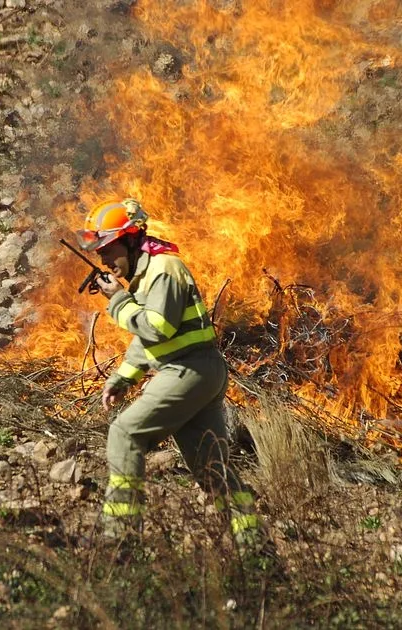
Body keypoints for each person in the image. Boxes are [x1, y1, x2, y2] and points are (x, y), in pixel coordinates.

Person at [75, 197, 267, 555]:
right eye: (100, 253)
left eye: (108, 250)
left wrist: (118, 301)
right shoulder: (148, 274)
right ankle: (255, 546)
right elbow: (150, 339)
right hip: (197, 371)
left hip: (188, 370)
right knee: (211, 468)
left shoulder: (163, 269)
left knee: (125, 433)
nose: (103, 261)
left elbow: (157, 328)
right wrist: (124, 377)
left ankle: (120, 538)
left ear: (131, 240)